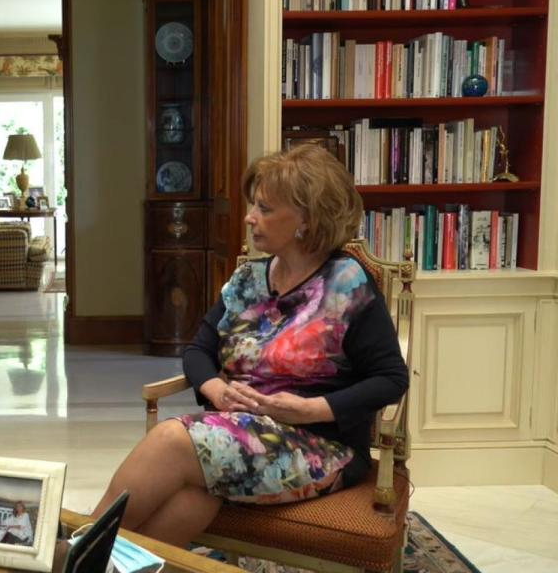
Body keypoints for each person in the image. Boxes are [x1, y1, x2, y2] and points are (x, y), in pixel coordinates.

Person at [91, 144, 408, 547]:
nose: (249, 217)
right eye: (252, 205)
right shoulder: (247, 281)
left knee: (173, 440)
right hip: (239, 429)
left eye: (264, 208)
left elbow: (392, 378)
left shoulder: (346, 283)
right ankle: (92, 560)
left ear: (306, 221)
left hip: (319, 447)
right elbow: (197, 352)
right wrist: (217, 391)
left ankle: (77, 546)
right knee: (192, 499)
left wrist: (309, 409)